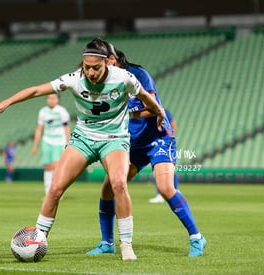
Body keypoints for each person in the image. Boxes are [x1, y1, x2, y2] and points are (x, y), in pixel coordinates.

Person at [0, 37, 166, 261]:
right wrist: (6, 102)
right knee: (55, 189)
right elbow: (35, 91)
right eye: (86, 67)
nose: (90, 72)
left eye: (95, 67)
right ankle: (37, 241)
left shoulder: (123, 77)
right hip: (83, 138)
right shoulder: (74, 79)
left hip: (114, 138)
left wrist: (160, 112)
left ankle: (126, 246)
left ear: (107, 63)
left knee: (119, 183)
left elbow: (145, 96)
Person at [85, 43, 206, 257]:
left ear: (112, 59)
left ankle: (197, 238)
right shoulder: (103, 82)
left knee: (166, 188)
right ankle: (107, 243)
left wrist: (126, 113)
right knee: (109, 188)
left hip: (158, 137)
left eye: (105, 61)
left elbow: (153, 109)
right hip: (132, 143)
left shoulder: (138, 74)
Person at [31, 93, 70, 195]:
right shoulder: (43, 112)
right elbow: (39, 129)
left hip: (59, 141)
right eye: (49, 98)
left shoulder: (62, 111)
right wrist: (35, 145)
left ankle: (57, 190)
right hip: (47, 141)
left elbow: (67, 128)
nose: (51, 100)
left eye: (54, 98)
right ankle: (48, 192)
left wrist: (68, 143)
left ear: (58, 100)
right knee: (47, 166)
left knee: (56, 166)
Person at [148, 109, 178, 203]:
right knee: (162, 170)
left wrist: (168, 139)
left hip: (164, 143)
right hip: (153, 143)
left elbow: (173, 127)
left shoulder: (163, 111)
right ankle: (170, 191)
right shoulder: (148, 112)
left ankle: (165, 193)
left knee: (165, 169)